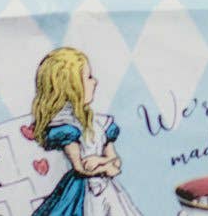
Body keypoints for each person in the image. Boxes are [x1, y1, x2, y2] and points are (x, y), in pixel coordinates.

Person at [30, 47, 144, 216]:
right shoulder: (66, 126)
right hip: (83, 193)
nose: (95, 81)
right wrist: (105, 165)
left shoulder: (100, 122)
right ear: (70, 87)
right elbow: (81, 168)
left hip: (106, 189)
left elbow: (115, 160)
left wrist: (101, 162)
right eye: (88, 77)